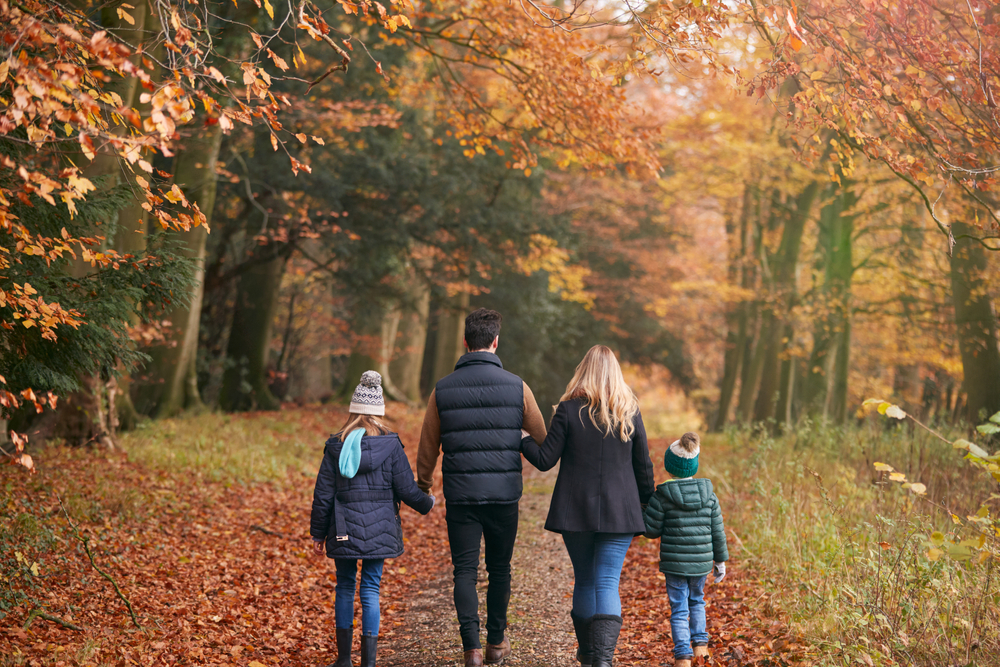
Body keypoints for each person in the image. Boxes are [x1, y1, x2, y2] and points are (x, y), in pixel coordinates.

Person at [417, 308, 548, 667]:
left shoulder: (441, 389)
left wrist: (424, 485)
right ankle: (495, 643)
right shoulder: (518, 387)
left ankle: (471, 648)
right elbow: (542, 438)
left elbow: (428, 445)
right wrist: (519, 441)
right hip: (505, 494)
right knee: (500, 569)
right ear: (495, 341)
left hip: (460, 496)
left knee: (464, 570)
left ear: (465, 342)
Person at [520, 344, 655, 667]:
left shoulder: (568, 410)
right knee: (608, 581)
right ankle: (603, 661)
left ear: (583, 371)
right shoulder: (629, 411)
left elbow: (544, 460)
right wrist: (646, 503)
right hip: (621, 512)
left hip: (575, 509)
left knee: (585, 580)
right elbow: (644, 466)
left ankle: (589, 655)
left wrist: (522, 437)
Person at [311, 370, 435, 667]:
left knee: (344, 585)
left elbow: (323, 495)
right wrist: (427, 503)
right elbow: (406, 489)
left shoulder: (336, 446)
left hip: (343, 527)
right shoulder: (391, 446)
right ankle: (368, 663)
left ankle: (343, 660)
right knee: (370, 588)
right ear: (379, 411)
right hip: (380, 529)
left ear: (354, 409)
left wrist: (318, 533)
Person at [642, 432, 729, 667]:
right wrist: (720, 562)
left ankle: (683, 658)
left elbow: (650, 530)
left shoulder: (662, 497)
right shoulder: (710, 496)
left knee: (679, 608)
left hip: (674, 565)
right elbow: (717, 532)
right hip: (701, 564)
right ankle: (701, 649)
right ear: (694, 466)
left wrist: (642, 510)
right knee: (697, 601)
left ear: (669, 467)